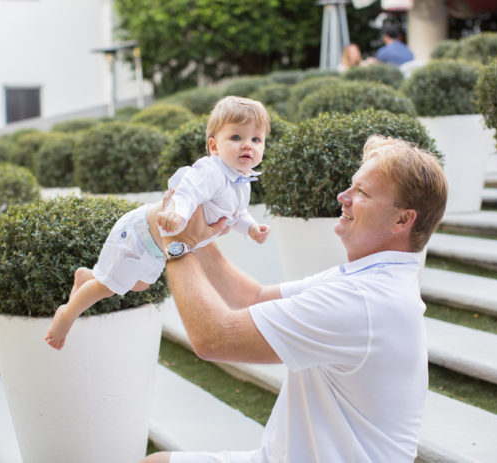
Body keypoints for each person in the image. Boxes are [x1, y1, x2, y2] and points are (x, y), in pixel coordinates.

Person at [142, 135, 448, 463]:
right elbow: (251, 296)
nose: (342, 197)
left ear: (403, 220)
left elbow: (213, 338)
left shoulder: (363, 300)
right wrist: (194, 231)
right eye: (352, 185)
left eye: (362, 192)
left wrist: (175, 241)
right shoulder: (370, 280)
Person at [44, 95, 272, 351]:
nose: (247, 146)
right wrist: (178, 214)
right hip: (139, 233)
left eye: (256, 139)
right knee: (108, 287)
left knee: (140, 285)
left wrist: (251, 228)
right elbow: (187, 193)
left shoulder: (241, 182)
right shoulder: (211, 171)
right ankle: (66, 314)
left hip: (157, 248)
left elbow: (237, 214)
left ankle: (85, 276)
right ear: (214, 146)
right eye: (236, 138)